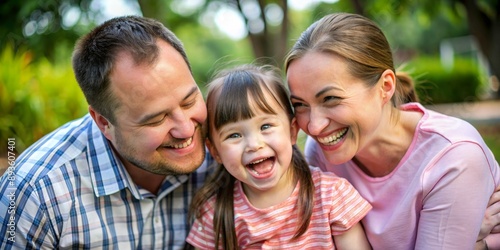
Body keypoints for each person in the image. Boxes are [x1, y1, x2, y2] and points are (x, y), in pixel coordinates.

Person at [284, 12, 500, 250]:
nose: (313, 127)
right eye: (300, 105)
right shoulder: (322, 151)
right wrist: (472, 242)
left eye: (330, 99)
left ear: (385, 87)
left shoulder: (453, 157)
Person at [0, 16, 212, 249]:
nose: (186, 129)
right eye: (156, 119)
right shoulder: (36, 193)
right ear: (104, 122)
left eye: (189, 101)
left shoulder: (228, 155)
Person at [185, 64, 372, 249]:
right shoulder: (214, 215)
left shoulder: (332, 197)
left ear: (292, 131)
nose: (254, 144)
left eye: (265, 126)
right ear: (215, 151)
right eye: (234, 135)